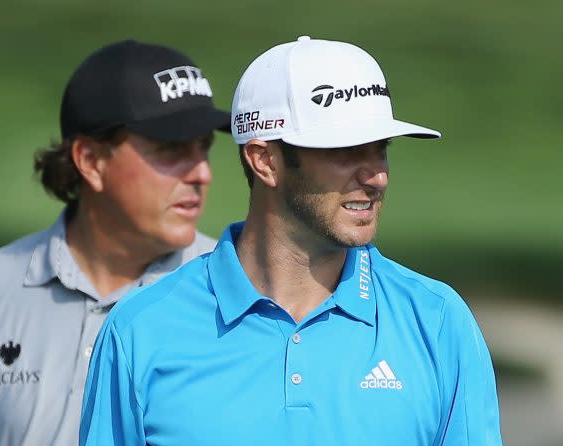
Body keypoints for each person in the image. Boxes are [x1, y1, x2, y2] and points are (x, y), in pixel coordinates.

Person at [80, 36, 503, 446]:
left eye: (381, 149)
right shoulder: (140, 329)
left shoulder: (438, 321)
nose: (377, 176)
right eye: (345, 150)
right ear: (264, 160)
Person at [0, 40, 230, 446]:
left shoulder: (235, 296)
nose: (202, 173)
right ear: (90, 161)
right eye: (171, 150)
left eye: (203, 148)